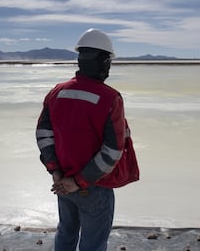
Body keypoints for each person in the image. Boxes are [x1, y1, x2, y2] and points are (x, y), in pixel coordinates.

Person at [36, 28, 138, 251]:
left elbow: (44, 136)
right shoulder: (110, 98)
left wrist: (56, 172)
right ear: (103, 61)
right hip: (93, 187)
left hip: (62, 182)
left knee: (65, 234)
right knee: (93, 244)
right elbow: (113, 150)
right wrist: (79, 181)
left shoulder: (57, 93)